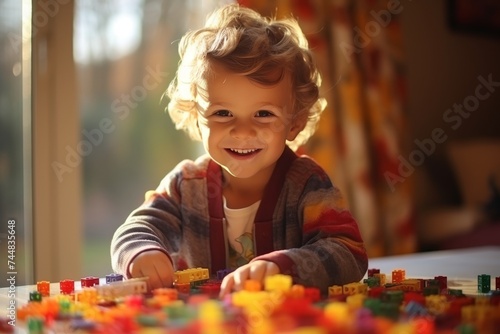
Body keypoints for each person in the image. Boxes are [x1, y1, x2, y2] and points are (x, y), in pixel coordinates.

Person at [111, 3, 367, 297]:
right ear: (197, 116)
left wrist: (284, 267)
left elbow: (348, 252)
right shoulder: (186, 185)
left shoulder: (306, 183)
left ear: (294, 123)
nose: (242, 131)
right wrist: (140, 251)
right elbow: (137, 227)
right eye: (222, 113)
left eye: (263, 114)